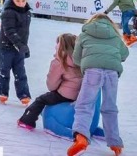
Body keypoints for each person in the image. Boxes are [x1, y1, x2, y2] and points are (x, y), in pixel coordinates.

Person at [67, 13, 129, 156]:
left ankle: (81, 137)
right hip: (112, 72)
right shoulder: (114, 35)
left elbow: (76, 58)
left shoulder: (84, 34)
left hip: (92, 71)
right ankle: (115, 143)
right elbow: (124, 54)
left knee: (84, 104)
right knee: (110, 107)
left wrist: (88, 60)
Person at [17, 33, 81, 131]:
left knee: (41, 100)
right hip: (79, 95)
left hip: (65, 95)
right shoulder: (81, 60)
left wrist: (55, 89)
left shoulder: (59, 62)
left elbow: (52, 85)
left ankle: (26, 121)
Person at [0, 0, 32, 105]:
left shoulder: (27, 13)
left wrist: (24, 46)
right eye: (17, 1)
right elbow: (9, 31)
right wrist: (20, 45)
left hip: (20, 47)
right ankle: (2, 92)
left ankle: (24, 94)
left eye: (23, 1)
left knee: (20, 72)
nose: (21, 3)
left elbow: (25, 32)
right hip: (6, 46)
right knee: (4, 70)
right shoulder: (8, 12)